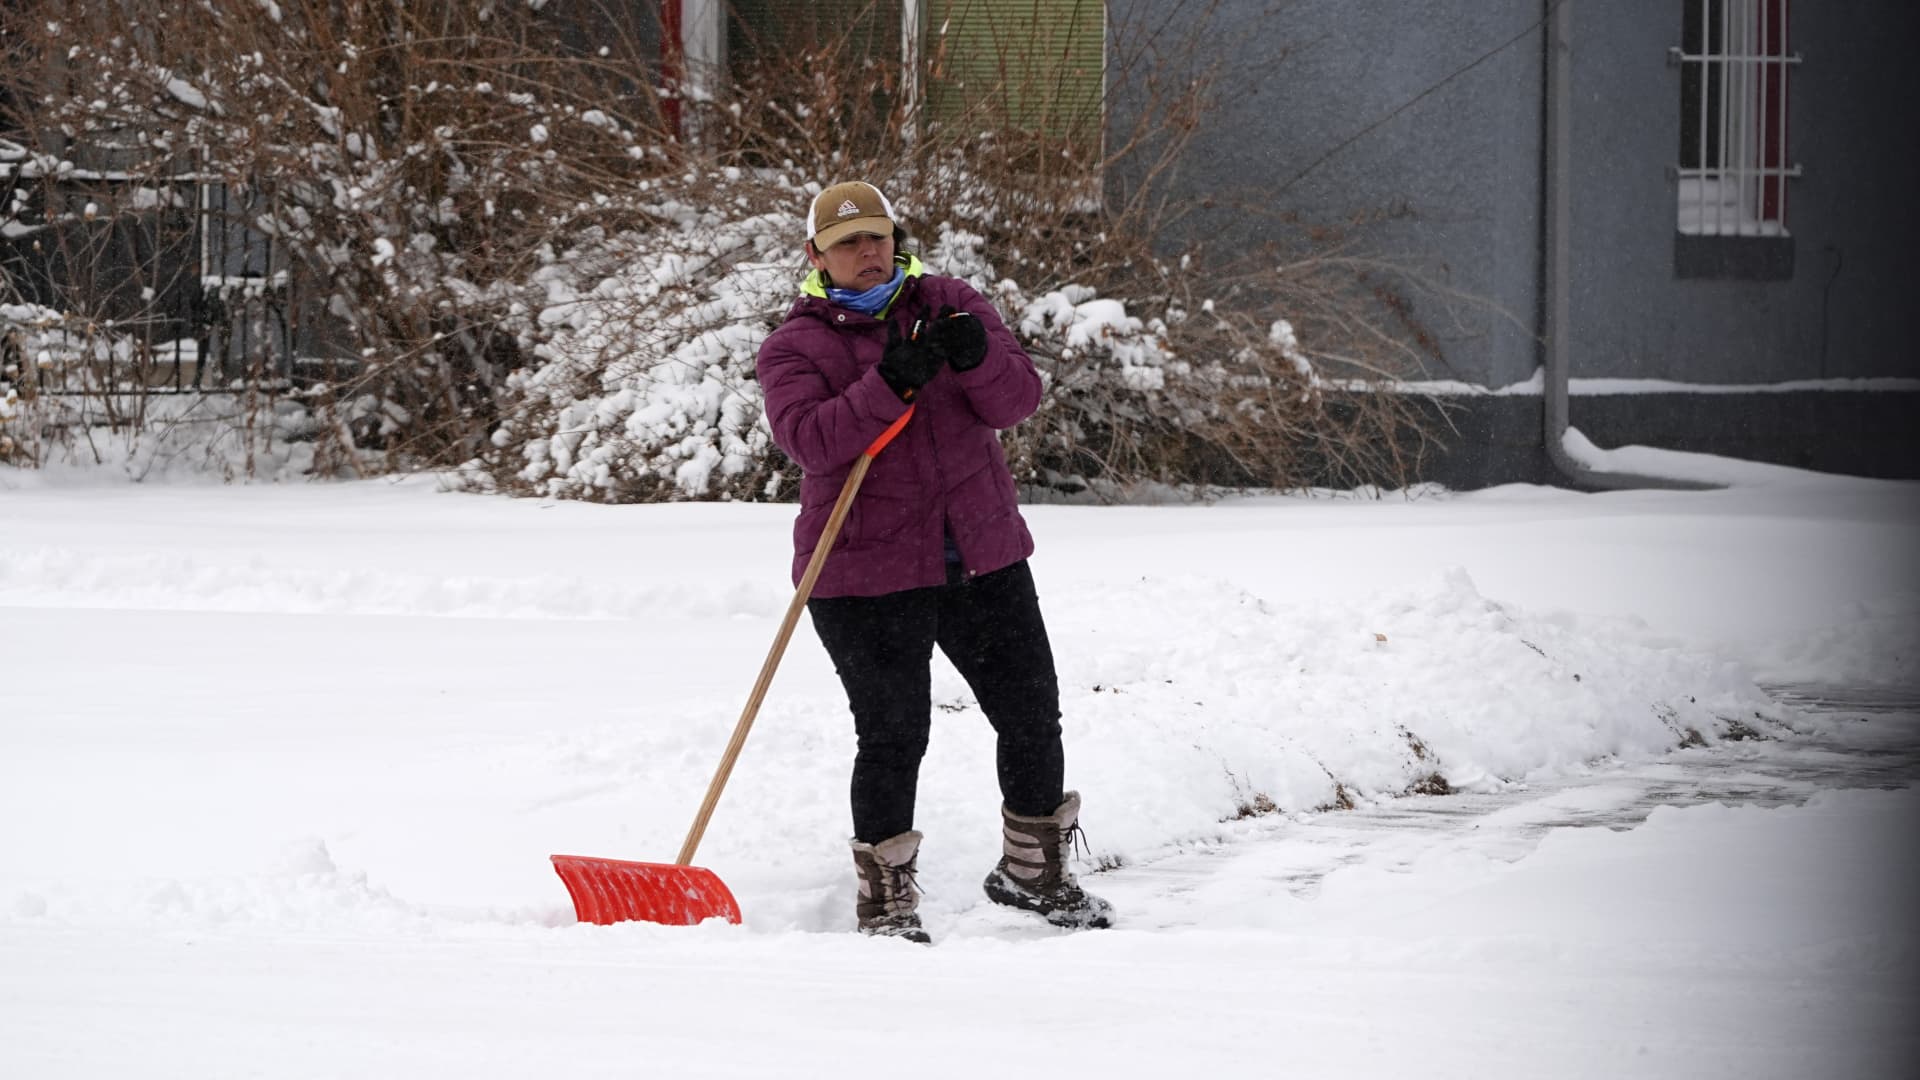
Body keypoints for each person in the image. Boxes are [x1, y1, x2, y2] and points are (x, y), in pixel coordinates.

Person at [755, 180, 1113, 943]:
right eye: (849, 241)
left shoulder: (948, 302)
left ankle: (1031, 873)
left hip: (978, 554)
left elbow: (1017, 400)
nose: (868, 250)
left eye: (878, 235)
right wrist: (890, 382)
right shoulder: (795, 346)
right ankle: (886, 902)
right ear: (815, 254)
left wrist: (978, 357)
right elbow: (811, 441)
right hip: (861, 572)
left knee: (1029, 711)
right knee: (893, 733)